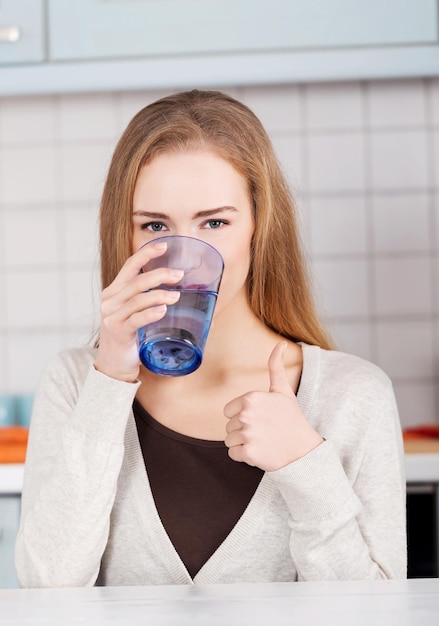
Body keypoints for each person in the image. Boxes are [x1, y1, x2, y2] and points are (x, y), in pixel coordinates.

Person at [15, 89, 406, 587]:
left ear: (259, 227)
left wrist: (305, 465)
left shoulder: (353, 394)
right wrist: (110, 379)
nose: (184, 259)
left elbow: (378, 615)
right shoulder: (76, 382)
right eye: (155, 225)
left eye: (215, 222)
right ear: (126, 235)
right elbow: (47, 587)